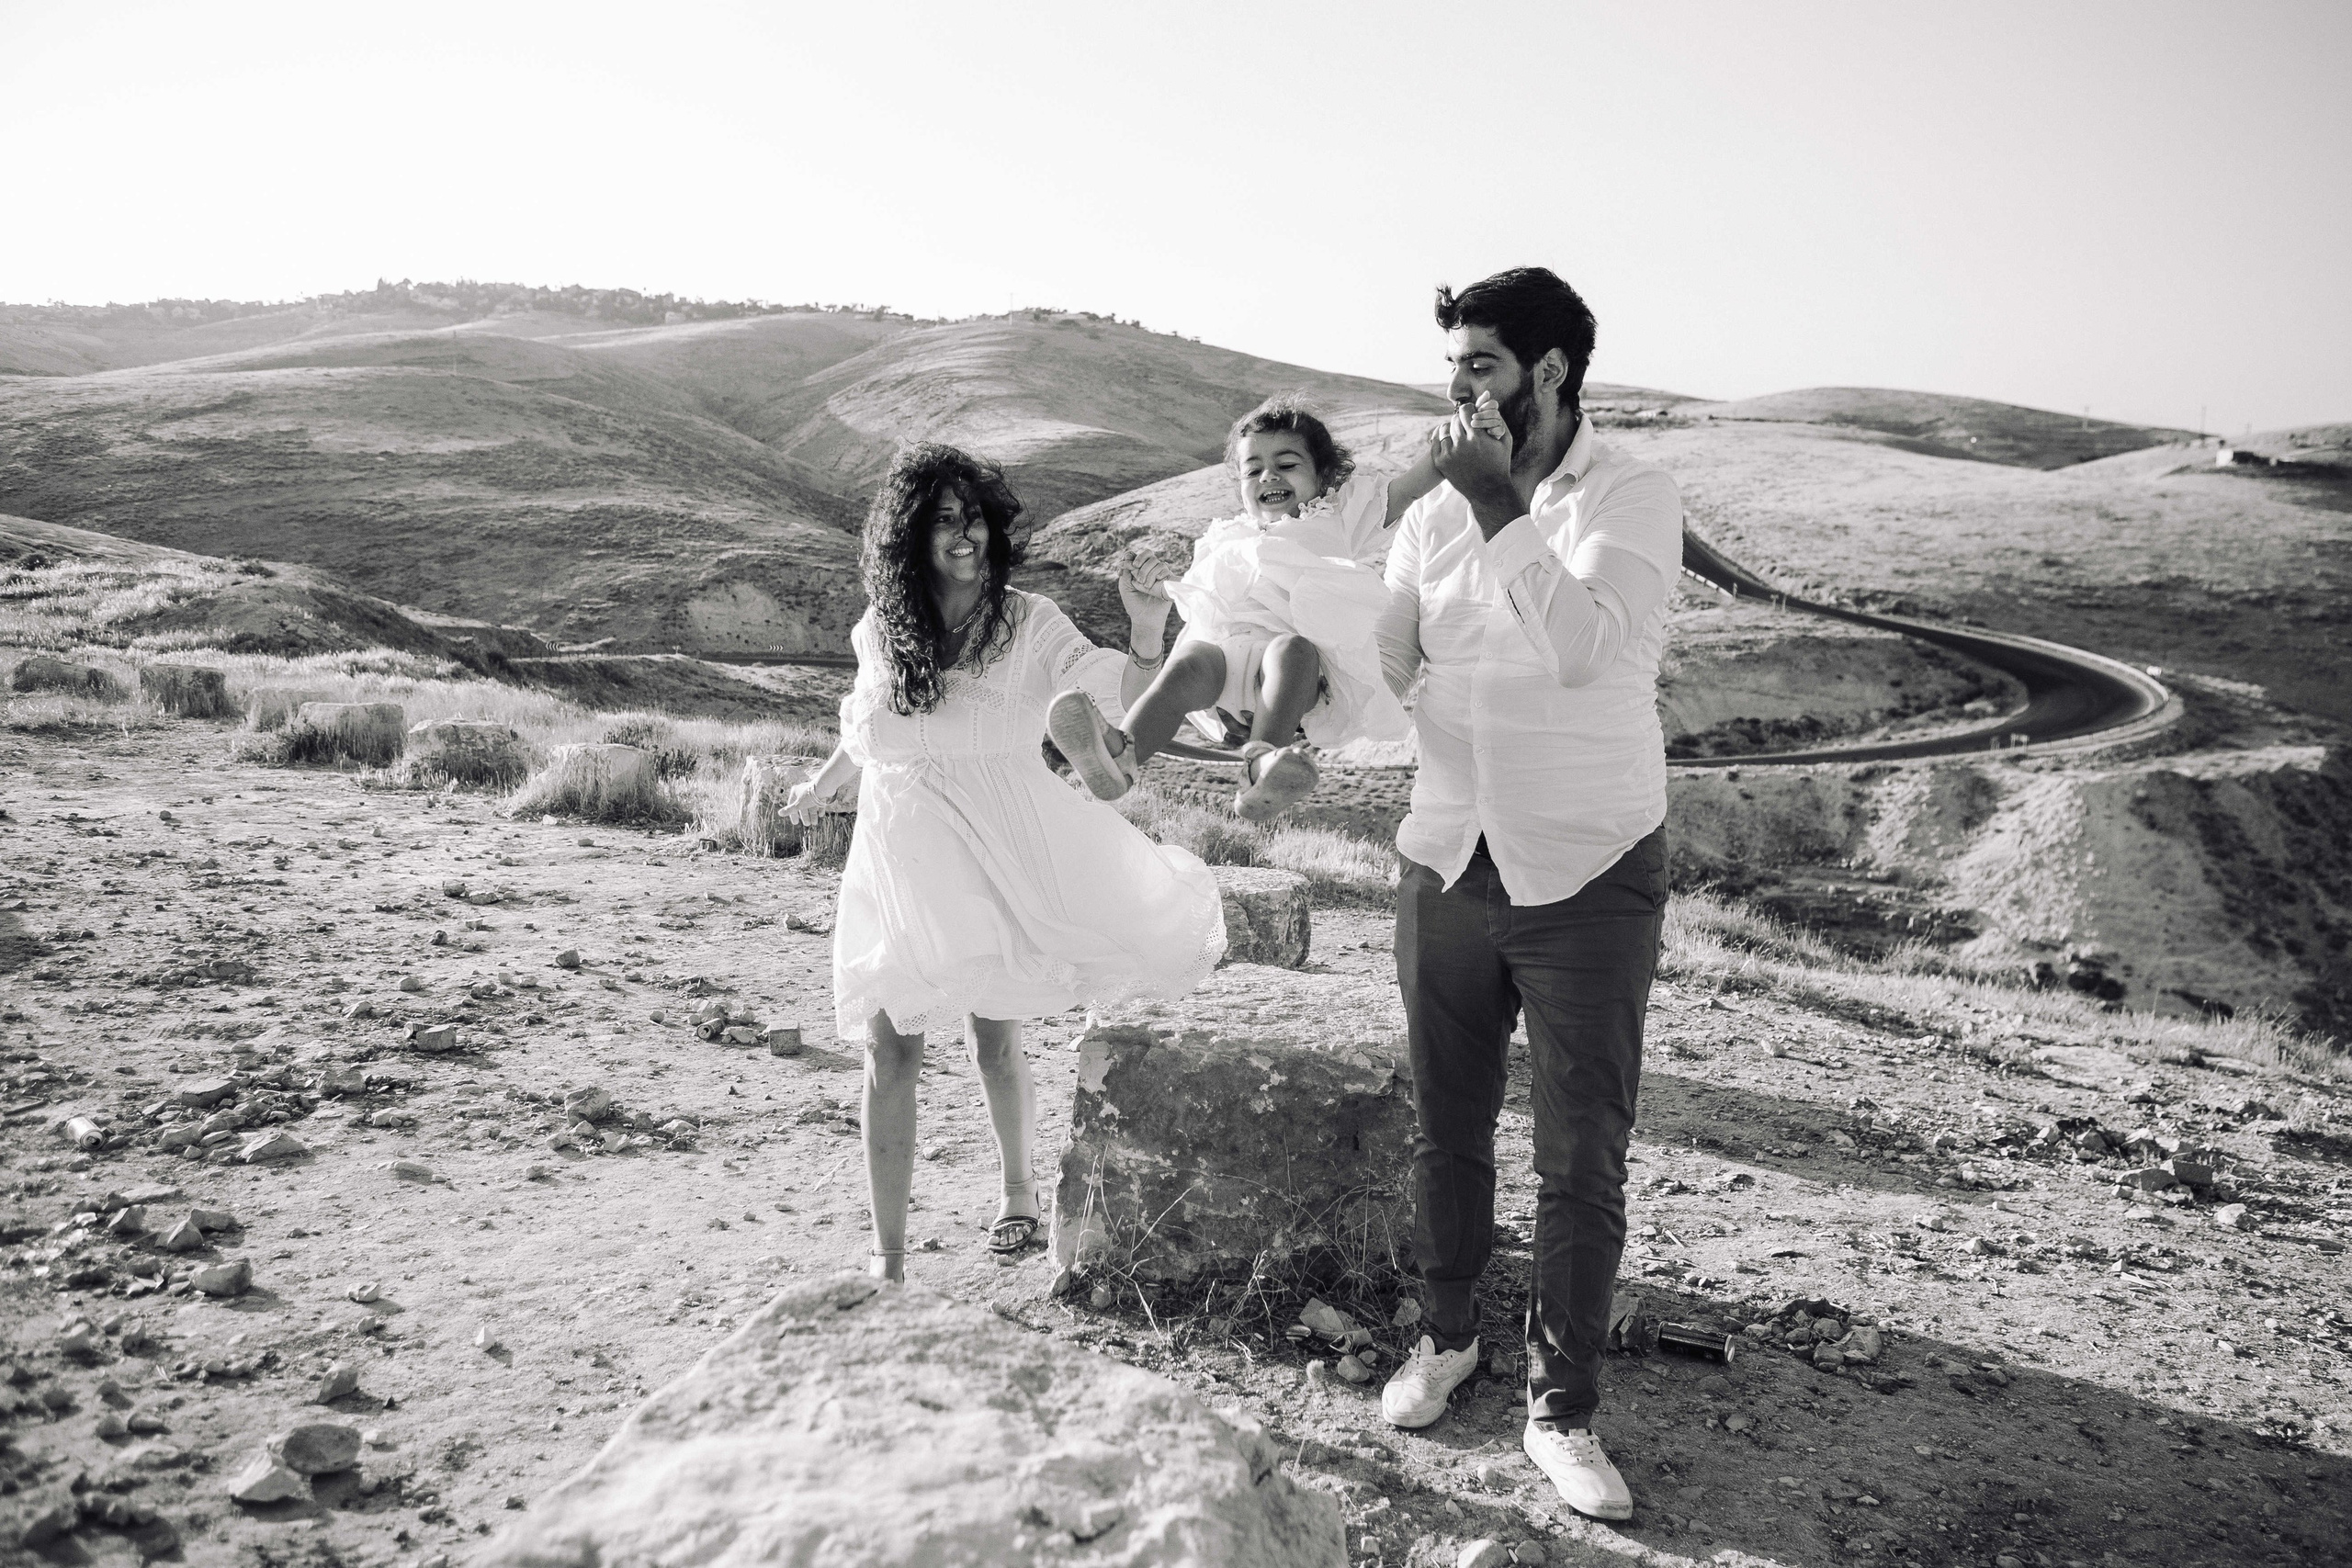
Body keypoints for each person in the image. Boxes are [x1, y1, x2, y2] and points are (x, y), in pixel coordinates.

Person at [1368, 268, 1682, 1523]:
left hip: (1589, 867)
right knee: (1447, 1122)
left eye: (1484, 364)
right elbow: (1386, 657)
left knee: (1578, 1152)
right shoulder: (1436, 508)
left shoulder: (1633, 496)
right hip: (1446, 851)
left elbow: (1581, 649)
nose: (1461, 389)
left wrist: (1498, 507)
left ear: (1553, 370)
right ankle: (1447, 1338)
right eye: (1453, 366)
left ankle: (1562, 1406)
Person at [783, 443, 1227, 1283]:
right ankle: (889, 1261)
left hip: (993, 856)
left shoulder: (1027, 622)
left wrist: (1141, 632)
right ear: (909, 534)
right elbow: (864, 729)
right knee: (888, 1051)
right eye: (944, 519)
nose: (964, 534)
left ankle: (1017, 1192)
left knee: (993, 1039)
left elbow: (1109, 688)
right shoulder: (882, 627)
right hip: (895, 860)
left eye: (974, 516)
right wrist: (821, 783)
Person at [1046, 394, 1476, 819]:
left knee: (1291, 648)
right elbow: (1203, 612)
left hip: (1298, 674)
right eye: (1253, 470)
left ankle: (1260, 767)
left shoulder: (1335, 517)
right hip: (1226, 664)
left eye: (1287, 465)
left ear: (1324, 475)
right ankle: (1122, 757)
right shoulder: (1226, 535)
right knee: (1188, 661)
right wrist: (1159, 593)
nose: (1269, 476)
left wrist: (1456, 435)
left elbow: (1410, 486)